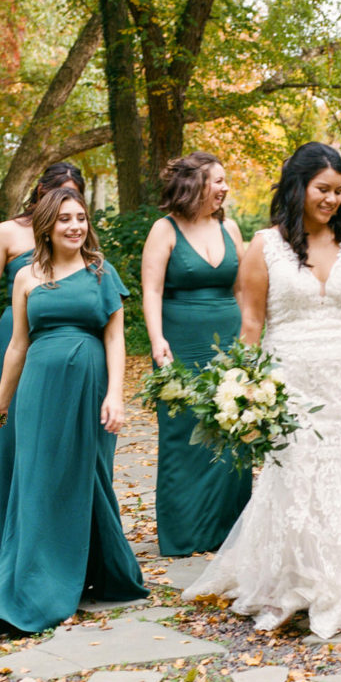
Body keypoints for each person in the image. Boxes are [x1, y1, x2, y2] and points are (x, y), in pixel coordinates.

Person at [183, 142, 341, 639]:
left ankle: (332, 585)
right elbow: (251, 322)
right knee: (293, 481)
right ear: (299, 186)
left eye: (339, 191)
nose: (333, 200)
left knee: (340, 483)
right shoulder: (264, 245)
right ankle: (284, 587)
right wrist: (243, 384)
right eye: (323, 189)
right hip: (287, 379)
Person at [0, 187, 147, 635]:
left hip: (89, 387)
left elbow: (115, 339)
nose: (75, 226)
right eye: (65, 219)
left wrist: (116, 394)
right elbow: (17, 345)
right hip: (38, 388)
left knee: (84, 476)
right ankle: (30, 591)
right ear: (47, 227)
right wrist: (0, 404)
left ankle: (96, 571)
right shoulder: (27, 277)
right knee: (36, 478)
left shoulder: (101, 272)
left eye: (81, 218)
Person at [0, 163, 86, 569]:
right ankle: (5, 540)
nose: (66, 204)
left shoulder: (77, 232)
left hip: (65, 337)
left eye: (74, 195)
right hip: (20, 337)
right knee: (12, 430)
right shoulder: (9, 233)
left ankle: (55, 533)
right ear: (39, 191)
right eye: (58, 193)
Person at [141, 151, 250, 556]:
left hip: (228, 339)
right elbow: (151, 290)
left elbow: (241, 290)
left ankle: (228, 530)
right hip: (180, 340)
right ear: (196, 184)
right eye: (217, 180)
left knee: (233, 428)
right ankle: (184, 533)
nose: (224, 188)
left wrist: (248, 344)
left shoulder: (231, 228)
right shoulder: (164, 230)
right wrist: (157, 340)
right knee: (183, 435)